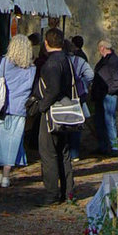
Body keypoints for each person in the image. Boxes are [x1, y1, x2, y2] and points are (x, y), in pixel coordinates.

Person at [0, 33, 35, 187]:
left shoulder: (4, 63)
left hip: (4, 107)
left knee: (0, 140)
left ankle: (1, 173)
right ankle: (6, 175)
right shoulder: (32, 68)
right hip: (20, 108)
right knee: (13, 142)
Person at [33, 27, 75, 204]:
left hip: (53, 113)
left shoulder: (51, 64)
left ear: (46, 43)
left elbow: (53, 90)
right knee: (63, 152)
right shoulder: (67, 60)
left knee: (49, 153)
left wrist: (41, 106)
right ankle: (68, 192)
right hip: (66, 111)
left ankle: (51, 194)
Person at [91, 38, 118, 155]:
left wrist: (109, 91)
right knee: (100, 121)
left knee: (109, 121)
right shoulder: (105, 60)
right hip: (101, 95)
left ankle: (115, 147)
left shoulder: (114, 61)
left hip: (108, 95)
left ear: (102, 48)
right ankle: (103, 146)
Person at [66, 40, 94, 161]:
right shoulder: (80, 61)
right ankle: (74, 153)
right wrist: (83, 85)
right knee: (77, 123)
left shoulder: (59, 60)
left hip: (63, 96)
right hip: (77, 95)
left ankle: (65, 151)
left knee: (64, 123)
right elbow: (90, 75)